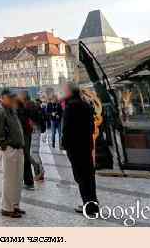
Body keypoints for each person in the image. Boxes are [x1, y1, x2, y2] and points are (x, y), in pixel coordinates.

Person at [61, 83, 99, 216]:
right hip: (86, 145)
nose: (62, 92)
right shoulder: (86, 105)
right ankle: (93, 204)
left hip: (75, 147)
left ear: (70, 92)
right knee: (89, 176)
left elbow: (66, 129)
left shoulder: (70, 107)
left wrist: (64, 145)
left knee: (81, 177)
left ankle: (87, 206)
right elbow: (92, 127)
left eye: (64, 90)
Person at [0, 89, 25, 218]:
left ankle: (15, 204)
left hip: (17, 148)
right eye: (10, 98)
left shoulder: (12, 110)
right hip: (9, 149)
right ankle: (7, 207)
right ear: (3, 98)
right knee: (9, 179)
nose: (12, 100)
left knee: (17, 179)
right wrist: (4, 146)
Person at [16, 92, 35, 191]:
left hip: (24, 135)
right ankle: (27, 180)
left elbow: (24, 122)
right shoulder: (26, 107)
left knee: (25, 157)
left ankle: (28, 181)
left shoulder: (25, 108)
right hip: (25, 134)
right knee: (25, 157)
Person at [28, 97, 46, 181]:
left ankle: (40, 172)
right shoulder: (36, 112)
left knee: (34, 153)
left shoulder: (34, 119)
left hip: (35, 132)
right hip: (35, 132)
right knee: (33, 153)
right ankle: (39, 172)